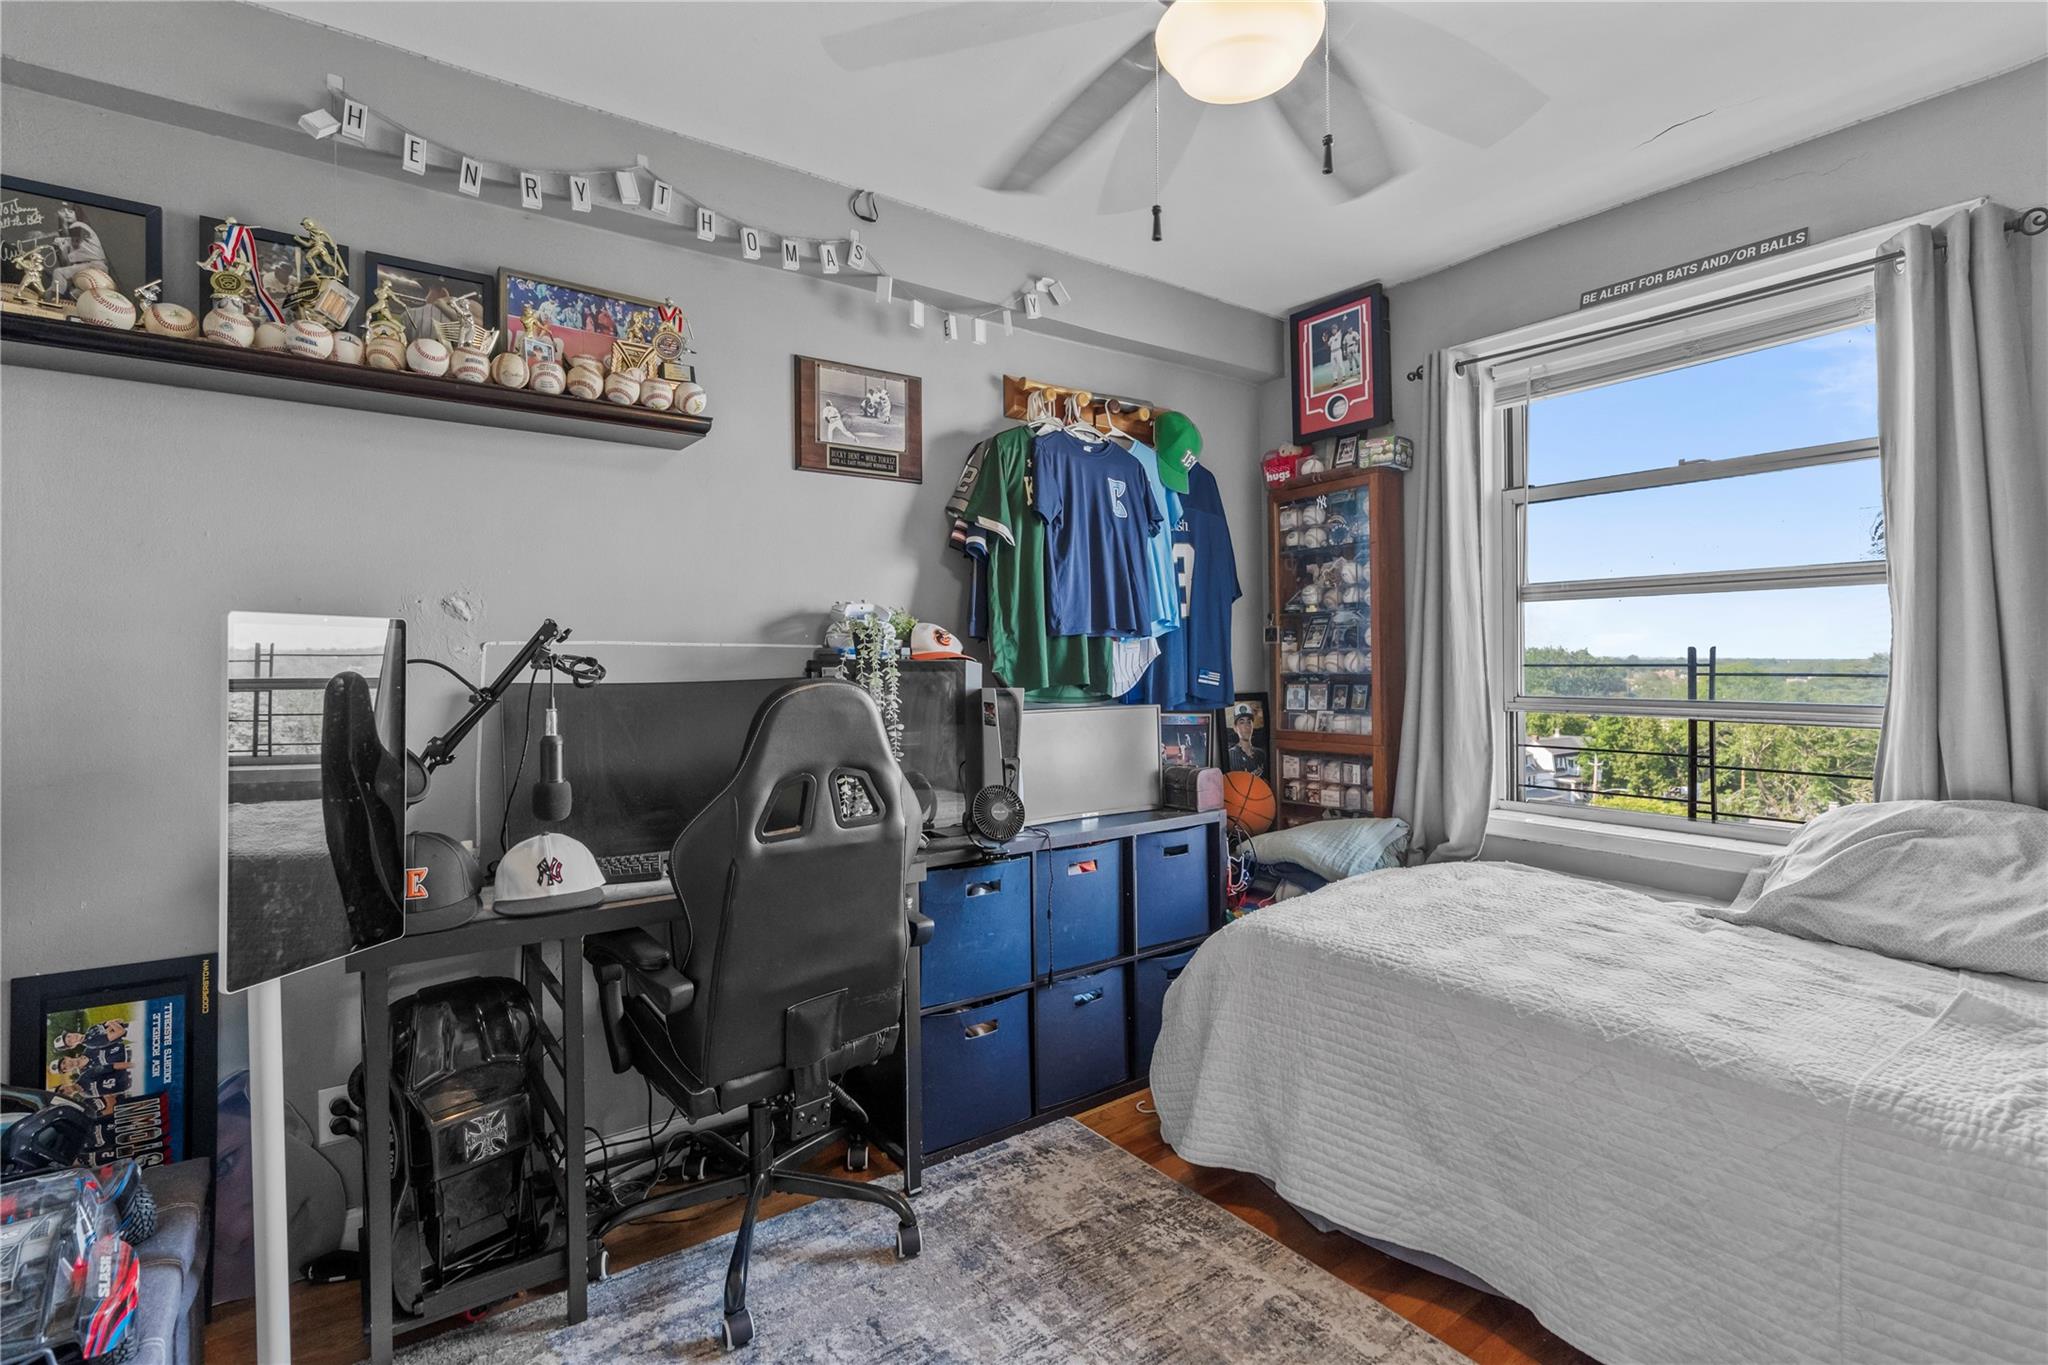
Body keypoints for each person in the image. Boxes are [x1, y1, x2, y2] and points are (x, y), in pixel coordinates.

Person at [50, 204, 109, 299]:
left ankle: (54, 302)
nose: (66, 214)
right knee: (54, 292)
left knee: (58, 272)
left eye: (70, 211)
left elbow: (74, 237)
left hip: (94, 266)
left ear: (77, 214)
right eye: (63, 211)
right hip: (87, 268)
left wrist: (62, 224)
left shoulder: (80, 225)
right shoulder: (73, 232)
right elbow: (67, 262)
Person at [1225, 704, 1266, 777]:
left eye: (1249, 722)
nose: (1246, 726)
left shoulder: (1261, 754)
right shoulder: (1231, 755)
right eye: (1242, 722)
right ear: (1235, 728)